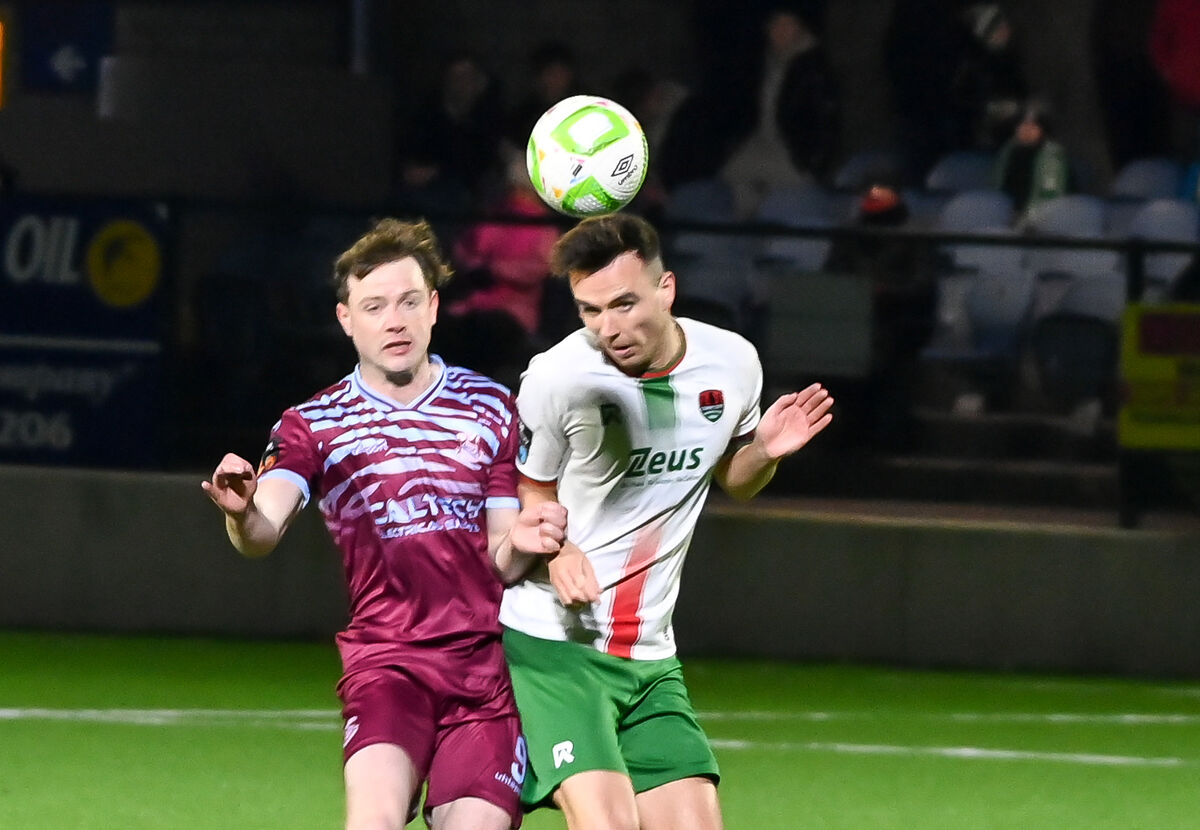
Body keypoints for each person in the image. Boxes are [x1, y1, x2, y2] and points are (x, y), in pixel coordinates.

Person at [200, 218, 568, 830]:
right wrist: (242, 514)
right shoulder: (314, 424)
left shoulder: (493, 407)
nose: (394, 320)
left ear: (434, 308)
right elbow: (263, 532)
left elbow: (502, 558)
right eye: (374, 307)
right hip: (387, 664)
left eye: (408, 302)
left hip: (488, 673)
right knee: (373, 819)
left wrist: (526, 542)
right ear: (346, 319)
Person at [499, 213, 834, 829]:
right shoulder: (558, 375)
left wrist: (763, 452)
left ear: (666, 288)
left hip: (651, 654)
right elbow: (531, 487)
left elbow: (735, 480)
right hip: (557, 646)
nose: (609, 328)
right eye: (590, 310)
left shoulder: (732, 362)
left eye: (624, 304)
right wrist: (558, 549)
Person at [994, 101, 1071, 220]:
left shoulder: (1050, 156)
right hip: (1005, 214)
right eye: (1023, 125)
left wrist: (1028, 217)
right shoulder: (1008, 151)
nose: (1027, 130)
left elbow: (1050, 194)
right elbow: (997, 183)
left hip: (1038, 219)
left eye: (1033, 126)